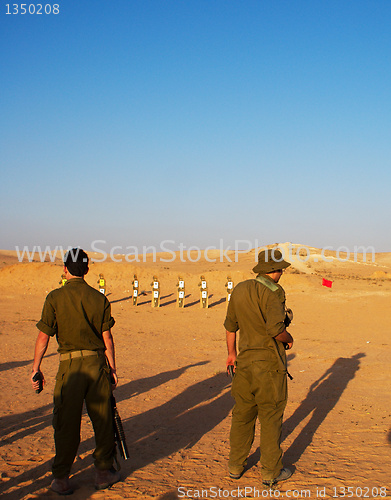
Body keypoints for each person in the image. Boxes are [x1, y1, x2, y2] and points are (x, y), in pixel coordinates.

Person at [31, 248, 120, 495]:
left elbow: (43, 337)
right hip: (96, 365)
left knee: (66, 424)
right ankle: (102, 472)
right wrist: (112, 368)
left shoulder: (54, 297)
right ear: (87, 270)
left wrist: (36, 368)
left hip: (69, 368)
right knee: (103, 421)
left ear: (65, 268)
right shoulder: (99, 299)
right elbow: (107, 338)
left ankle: (61, 478)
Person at [224, 248, 294, 487]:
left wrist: (232, 355)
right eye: (280, 268)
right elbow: (276, 331)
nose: (282, 272)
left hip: (243, 366)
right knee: (271, 417)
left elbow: (230, 326)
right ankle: (271, 472)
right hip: (268, 368)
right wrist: (289, 338)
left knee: (242, 416)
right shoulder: (274, 293)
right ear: (271, 270)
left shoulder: (240, 289)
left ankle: (235, 466)